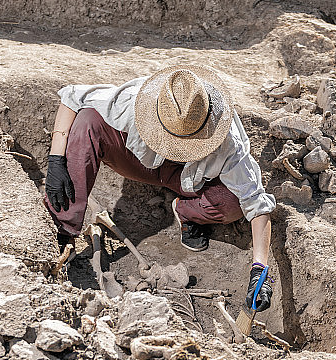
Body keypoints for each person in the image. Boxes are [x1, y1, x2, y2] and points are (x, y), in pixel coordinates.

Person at [43, 65, 275, 312]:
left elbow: (256, 203)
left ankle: (186, 211)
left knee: (232, 203)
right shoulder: (134, 100)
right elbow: (71, 97)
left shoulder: (227, 141)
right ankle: (63, 232)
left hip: (188, 178)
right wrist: (56, 159)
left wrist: (259, 270)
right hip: (137, 162)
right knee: (88, 121)